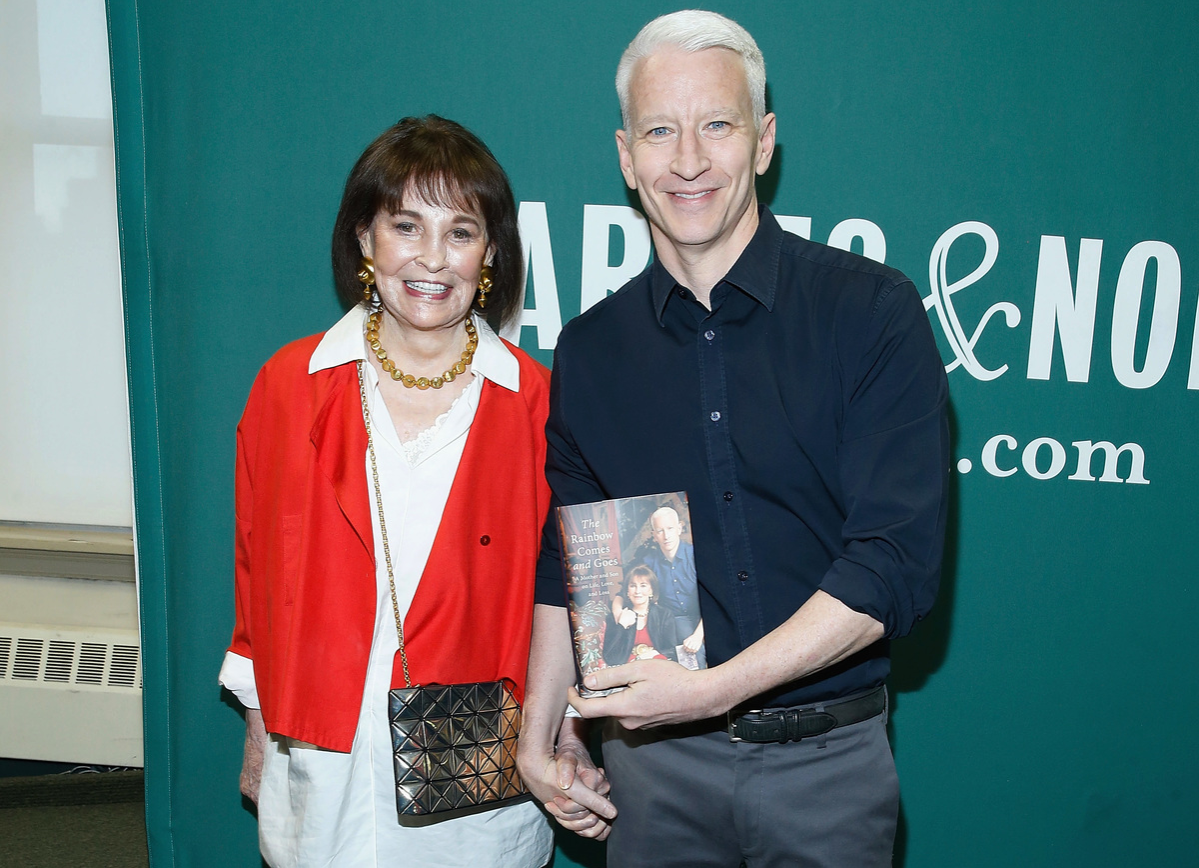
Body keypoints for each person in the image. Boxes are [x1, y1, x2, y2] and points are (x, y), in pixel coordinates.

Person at [516, 10, 950, 867]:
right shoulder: (592, 351)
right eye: (658, 131)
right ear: (624, 155)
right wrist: (546, 727)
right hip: (651, 774)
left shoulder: (869, 314)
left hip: (828, 769)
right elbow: (574, 559)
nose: (686, 159)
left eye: (715, 125)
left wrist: (707, 693)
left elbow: (891, 563)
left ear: (763, 142)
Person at [218, 116, 560, 868]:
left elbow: (561, 599)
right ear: (365, 239)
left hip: (474, 761)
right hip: (323, 752)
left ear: (492, 251)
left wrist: (561, 731)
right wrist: (256, 722)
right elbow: (257, 567)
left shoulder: (539, 404)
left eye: (461, 231)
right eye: (405, 225)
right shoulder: (289, 385)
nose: (431, 258)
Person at [603, 565, 679, 665]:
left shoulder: (664, 615)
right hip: (629, 667)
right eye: (633, 586)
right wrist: (621, 626)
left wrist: (652, 655)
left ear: (651, 590)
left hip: (657, 663)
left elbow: (672, 650)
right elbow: (611, 658)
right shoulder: (614, 617)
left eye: (643, 585)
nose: (637, 591)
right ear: (627, 591)